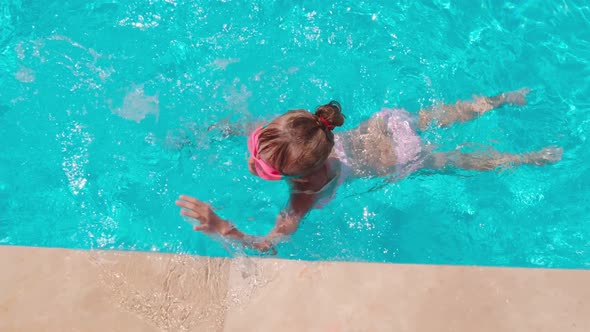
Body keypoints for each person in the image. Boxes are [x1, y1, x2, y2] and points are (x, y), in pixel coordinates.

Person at [176, 88, 562, 253]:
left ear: (294, 177)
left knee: (456, 162)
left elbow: (270, 242)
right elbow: (250, 129)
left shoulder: (305, 193)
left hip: (401, 158)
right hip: (385, 125)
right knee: (442, 115)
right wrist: (206, 133)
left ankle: (530, 158)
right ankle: (504, 99)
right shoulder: (303, 133)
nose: (252, 161)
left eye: (267, 169)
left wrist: (222, 227)